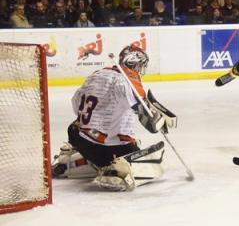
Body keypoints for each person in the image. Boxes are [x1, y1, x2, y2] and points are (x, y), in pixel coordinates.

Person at [51, 46, 174, 191]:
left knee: (83, 129)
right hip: (105, 148)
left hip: (77, 136)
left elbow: (75, 105)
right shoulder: (128, 81)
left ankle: (69, 161)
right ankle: (116, 173)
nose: (140, 70)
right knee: (146, 157)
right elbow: (146, 116)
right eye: (140, 65)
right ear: (132, 63)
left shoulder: (96, 74)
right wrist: (158, 121)